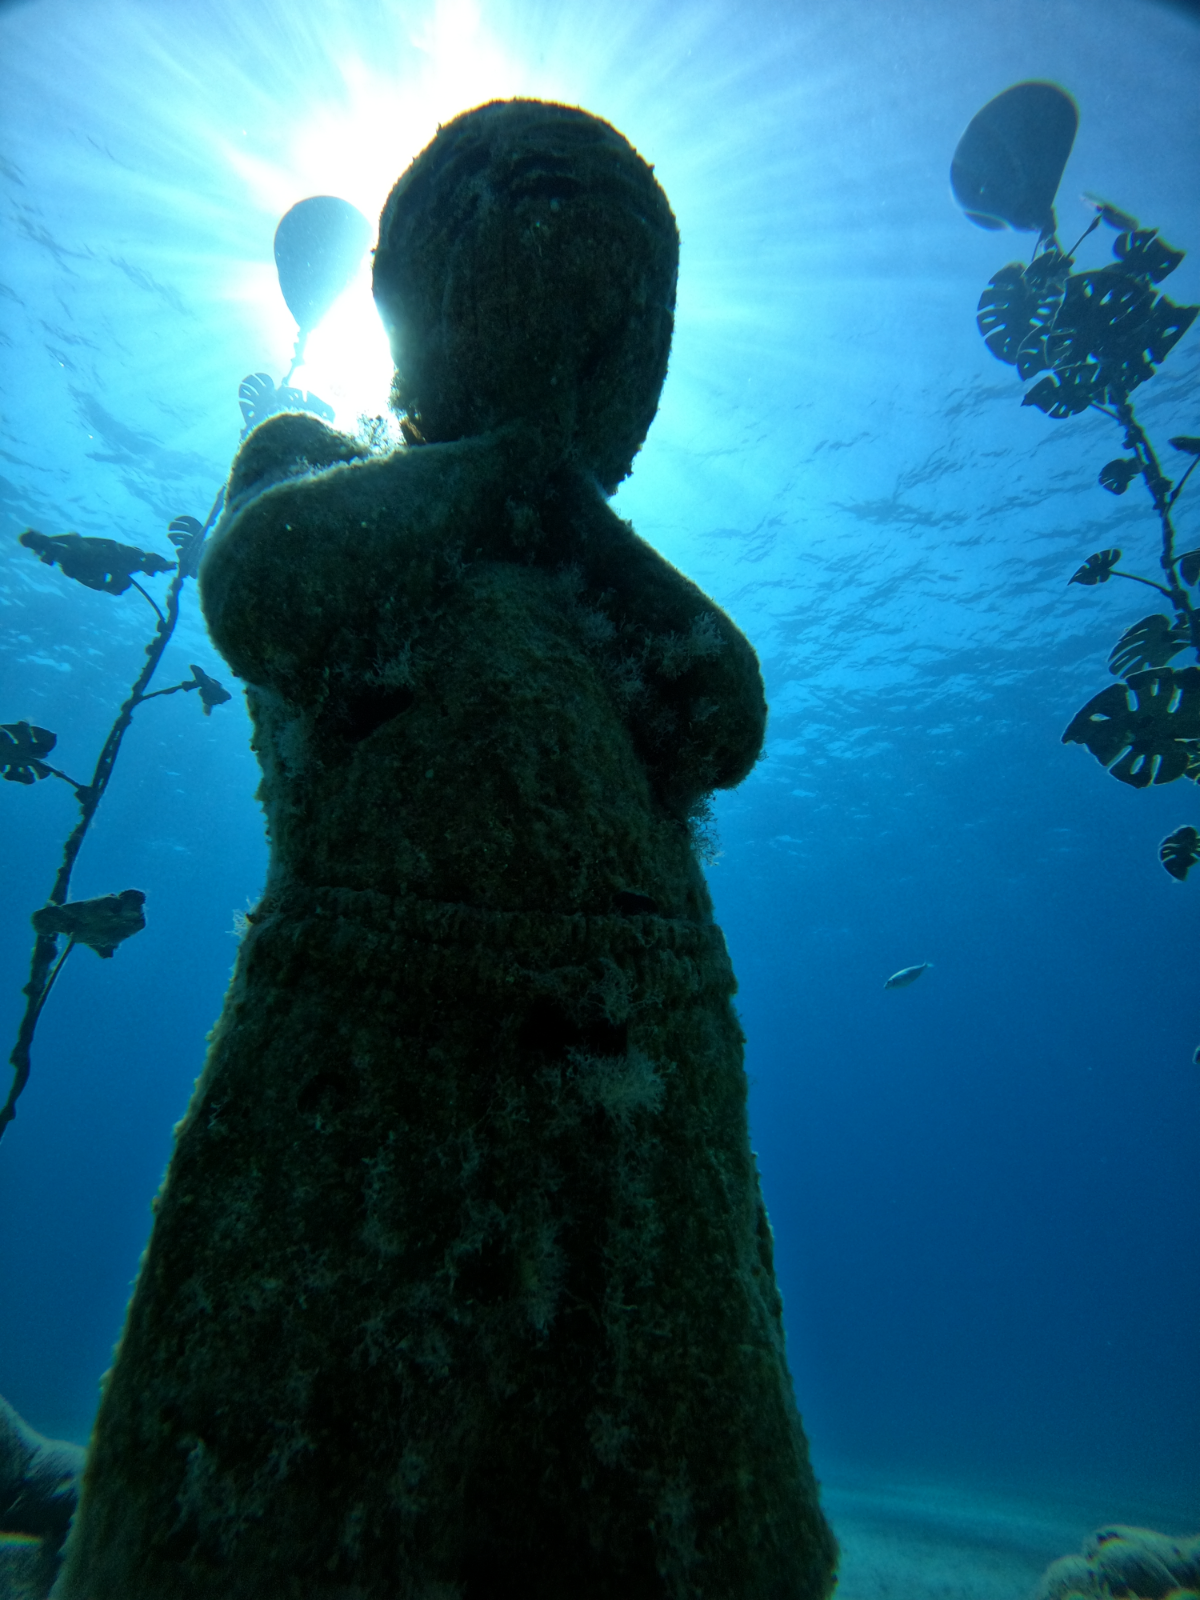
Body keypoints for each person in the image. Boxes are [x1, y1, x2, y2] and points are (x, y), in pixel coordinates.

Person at [54, 99, 836, 1599]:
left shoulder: (597, 577)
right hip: (367, 1042)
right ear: (415, 308)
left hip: (648, 1079)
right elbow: (265, 583)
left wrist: (557, 511)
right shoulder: (314, 463)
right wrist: (502, 480)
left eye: (627, 320)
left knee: (670, 1478)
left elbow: (724, 714)